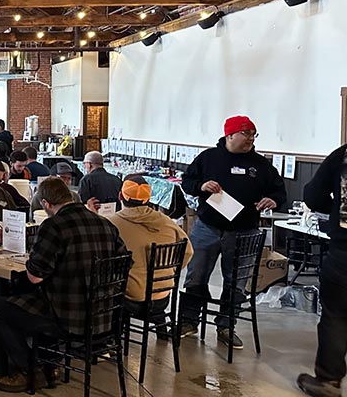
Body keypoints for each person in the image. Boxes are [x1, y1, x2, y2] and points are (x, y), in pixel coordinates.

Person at [0, 178, 128, 392]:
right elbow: (124, 263)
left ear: (45, 204)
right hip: (103, 315)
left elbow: (35, 276)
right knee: (36, 300)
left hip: (67, 317)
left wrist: (34, 256)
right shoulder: (105, 223)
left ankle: (30, 370)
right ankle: (51, 365)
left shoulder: (53, 226)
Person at [178, 115, 285, 349]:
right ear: (230, 135)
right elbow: (187, 181)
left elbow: (280, 193)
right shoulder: (208, 158)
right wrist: (201, 186)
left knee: (236, 281)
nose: (250, 139)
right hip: (208, 227)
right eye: (246, 134)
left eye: (253, 135)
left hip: (244, 231)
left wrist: (273, 200)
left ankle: (226, 326)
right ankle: (188, 321)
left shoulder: (261, 165)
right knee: (196, 275)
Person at [298, 143, 347, 397]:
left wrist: (337, 209)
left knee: (336, 317)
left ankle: (328, 382)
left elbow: (314, 195)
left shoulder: (343, 155)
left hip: (344, 251)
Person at [106, 174, 193, 318]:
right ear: (148, 199)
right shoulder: (167, 222)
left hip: (131, 298)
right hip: (163, 295)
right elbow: (188, 251)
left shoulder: (111, 224)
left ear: (120, 196)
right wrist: (170, 270)